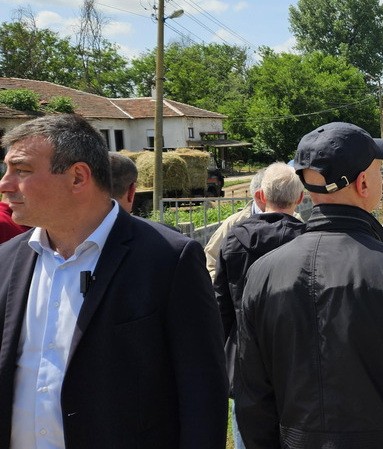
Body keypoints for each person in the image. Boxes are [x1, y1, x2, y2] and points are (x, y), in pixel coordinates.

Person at [236, 122, 383, 449]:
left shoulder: (262, 275)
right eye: (378, 169)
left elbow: (253, 401)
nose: (381, 176)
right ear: (363, 183)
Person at [0, 114, 227, 448]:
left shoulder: (168, 260)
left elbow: (201, 391)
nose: (5, 183)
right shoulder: (7, 261)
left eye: (22, 170)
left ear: (78, 177)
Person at [214, 161, 306, 449]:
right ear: (300, 198)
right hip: (297, 350)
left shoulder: (234, 239)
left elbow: (222, 305)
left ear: (261, 196)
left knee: (248, 427)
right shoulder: (307, 239)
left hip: (246, 351)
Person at [204, 168, 265, 281]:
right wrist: (226, 291)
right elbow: (210, 261)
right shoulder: (234, 223)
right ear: (260, 196)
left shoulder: (294, 220)